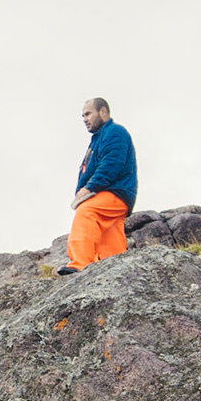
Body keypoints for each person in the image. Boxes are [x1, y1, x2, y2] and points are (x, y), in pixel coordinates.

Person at [59, 97, 137, 275]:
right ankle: (114, 269)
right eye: (82, 116)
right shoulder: (97, 140)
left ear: (103, 112)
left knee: (87, 211)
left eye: (88, 114)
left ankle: (80, 262)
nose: (85, 119)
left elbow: (112, 164)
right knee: (110, 230)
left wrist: (90, 187)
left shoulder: (114, 132)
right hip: (114, 193)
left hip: (115, 191)